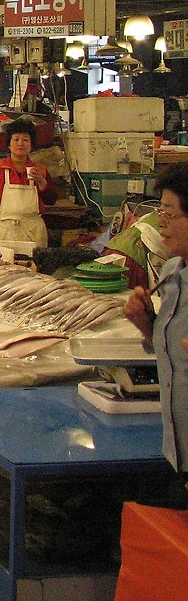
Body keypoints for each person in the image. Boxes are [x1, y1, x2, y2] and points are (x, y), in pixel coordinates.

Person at [124, 164, 188, 475]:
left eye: (170, 214)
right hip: (177, 451)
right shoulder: (171, 274)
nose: (160, 224)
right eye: (159, 212)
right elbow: (175, 354)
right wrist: (148, 325)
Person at [0, 118, 57, 247]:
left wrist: (42, 183)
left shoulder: (40, 170)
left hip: (33, 232)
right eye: (16, 139)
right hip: (3, 231)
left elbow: (51, 199)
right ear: (8, 144)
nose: (21, 144)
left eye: (25, 140)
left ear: (31, 145)